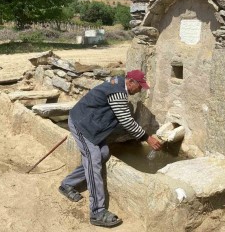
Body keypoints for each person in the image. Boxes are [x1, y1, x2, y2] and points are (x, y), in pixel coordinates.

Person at [59, 69, 162, 227]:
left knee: (104, 153)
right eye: (140, 86)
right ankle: (97, 211)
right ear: (131, 82)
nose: (140, 90)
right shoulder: (119, 92)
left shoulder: (118, 82)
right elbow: (127, 121)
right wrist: (147, 138)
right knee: (93, 160)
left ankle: (68, 184)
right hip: (82, 125)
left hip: (91, 125)